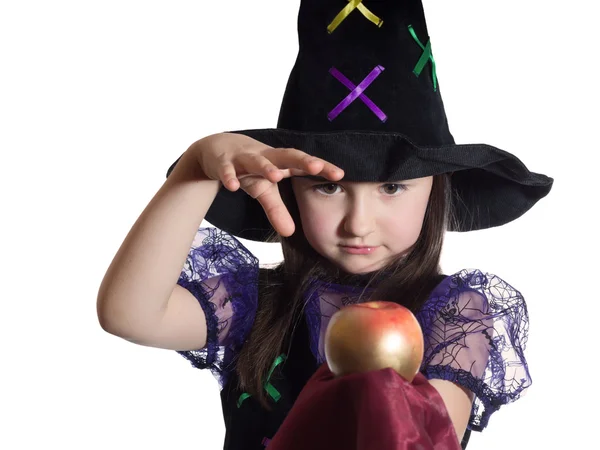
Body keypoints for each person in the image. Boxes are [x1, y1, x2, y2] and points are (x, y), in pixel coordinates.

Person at [96, 0, 553, 449]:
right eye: (327, 188)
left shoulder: (454, 315)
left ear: (436, 188)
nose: (358, 224)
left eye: (391, 188)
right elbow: (129, 313)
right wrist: (197, 168)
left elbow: (427, 440)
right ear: (289, 189)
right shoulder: (256, 307)